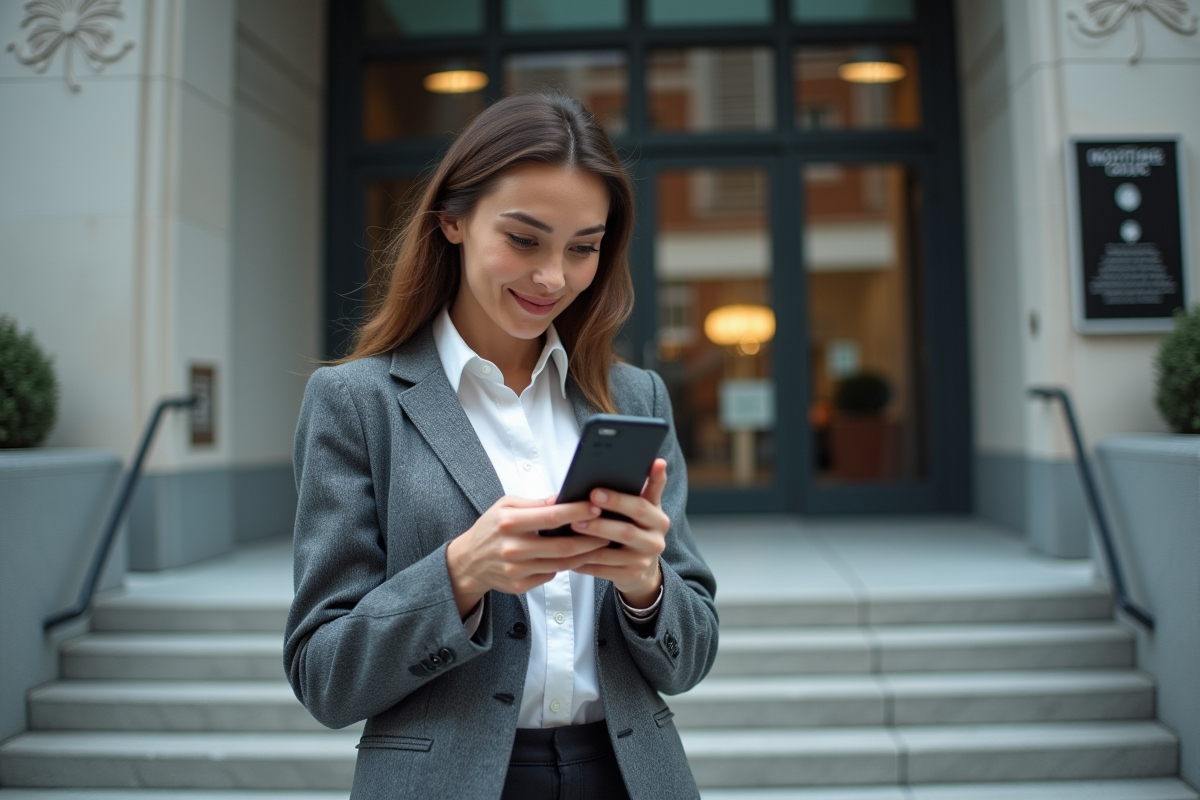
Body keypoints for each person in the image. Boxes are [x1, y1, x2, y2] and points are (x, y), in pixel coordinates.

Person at [284, 92, 718, 800]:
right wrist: (461, 574)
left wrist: (646, 586)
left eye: (583, 248)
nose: (553, 278)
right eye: (524, 239)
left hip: (630, 777)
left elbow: (691, 657)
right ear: (451, 220)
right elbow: (324, 678)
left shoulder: (633, 399)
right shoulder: (357, 404)